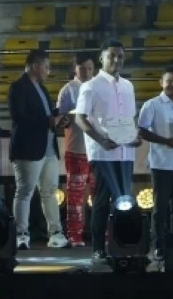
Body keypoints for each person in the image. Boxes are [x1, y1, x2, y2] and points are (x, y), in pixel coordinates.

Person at [74, 40, 139, 261]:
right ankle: (98, 249)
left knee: (125, 201)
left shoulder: (128, 86)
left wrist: (134, 136)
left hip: (125, 153)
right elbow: (80, 118)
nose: (116, 60)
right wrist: (101, 140)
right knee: (102, 201)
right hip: (103, 154)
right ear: (101, 58)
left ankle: (123, 245)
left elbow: (130, 119)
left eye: (120, 56)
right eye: (111, 55)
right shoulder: (91, 86)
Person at [8, 48, 67, 250]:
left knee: (50, 191)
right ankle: (21, 234)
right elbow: (19, 118)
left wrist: (58, 119)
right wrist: (48, 120)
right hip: (28, 148)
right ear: (35, 66)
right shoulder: (18, 87)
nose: (48, 71)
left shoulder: (42, 88)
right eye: (46, 67)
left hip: (48, 148)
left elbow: (47, 115)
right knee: (25, 191)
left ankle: (56, 233)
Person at [137, 66, 173, 262]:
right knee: (160, 209)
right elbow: (142, 131)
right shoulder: (151, 105)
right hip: (161, 164)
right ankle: (159, 247)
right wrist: (164, 140)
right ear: (161, 82)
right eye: (169, 81)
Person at [57, 52, 96, 247]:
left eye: (90, 69)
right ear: (75, 69)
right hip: (76, 148)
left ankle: (102, 233)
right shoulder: (68, 90)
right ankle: (74, 235)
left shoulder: (99, 87)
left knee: (99, 195)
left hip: (98, 150)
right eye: (82, 69)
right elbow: (60, 120)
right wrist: (64, 119)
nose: (87, 72)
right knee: (75, 196)